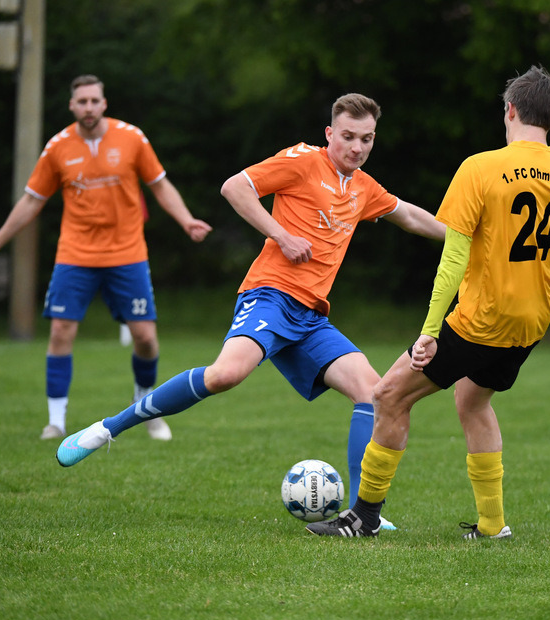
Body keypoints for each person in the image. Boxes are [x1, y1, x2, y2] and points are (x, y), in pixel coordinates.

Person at [55, 93, 446, 529]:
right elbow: (234, 187)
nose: (357, 147)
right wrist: (281, 235)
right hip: (270, 297)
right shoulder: (301, 160)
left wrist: (462, 238)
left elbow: (410, 216)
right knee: (225, 375)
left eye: (367, 139)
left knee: (373, 394)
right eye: (349, 137)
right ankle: (107, 428)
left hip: (312, 318)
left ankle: (361, 514)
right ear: (330, 134)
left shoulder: (362, 187)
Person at [305, 65, 550, 540]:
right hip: (529, 327)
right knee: (472, 399)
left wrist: (429, 330)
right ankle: (492, 526)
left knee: (388, 396)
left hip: (477, 322)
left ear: (510, 111)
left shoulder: (480, 168)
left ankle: (363, 518)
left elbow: (453, 259)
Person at [0, 75, 212, 442]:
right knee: (60, 332)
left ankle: (146, 409)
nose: (88, 107)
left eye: (94, 101)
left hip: (127, 254)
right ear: (72, 106)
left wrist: (185, 219)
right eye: (81, 101)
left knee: (146, 338)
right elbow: (32, 200)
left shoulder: (132, 138)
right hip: (76, 255)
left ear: (104, 103)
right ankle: (56, 421)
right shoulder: (58, 147)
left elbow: (160, 185)